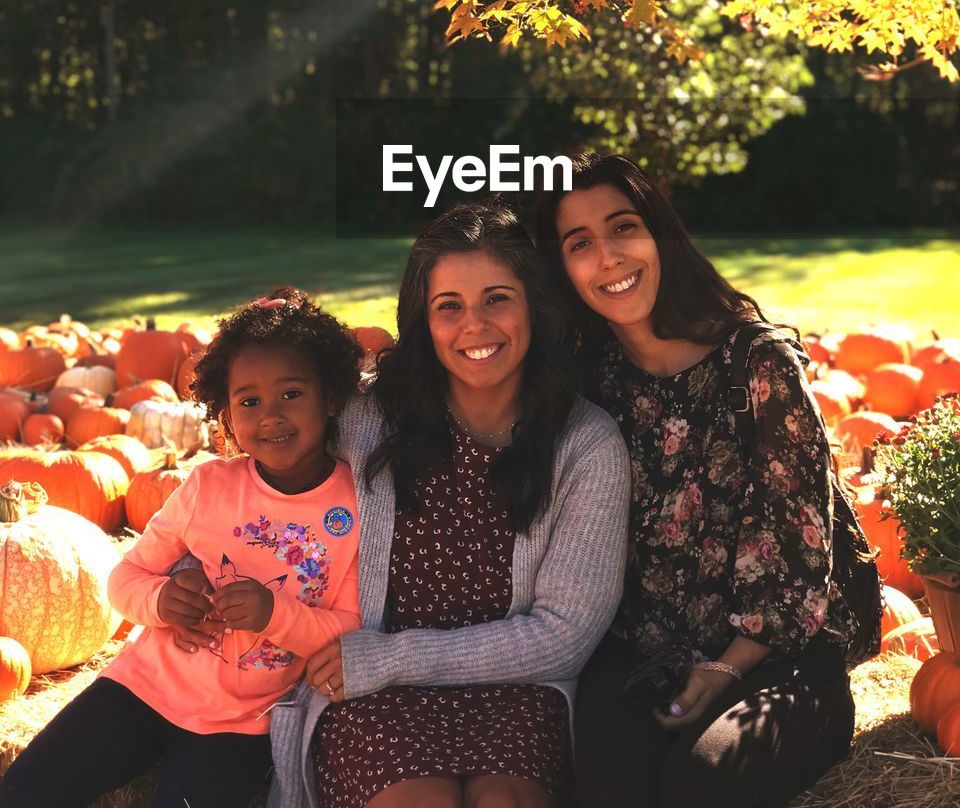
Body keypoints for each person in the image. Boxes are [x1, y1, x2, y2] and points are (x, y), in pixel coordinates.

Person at [266, 199, 631, 808]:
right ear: (422, 321)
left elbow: (566, 635)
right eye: (449, 307)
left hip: (514, 688)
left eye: (497, 299)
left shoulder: (584, 444)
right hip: (376, 697)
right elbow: (265, 480)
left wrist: (392, 658)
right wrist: (190, 565)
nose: (475, 325)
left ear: (533, 308)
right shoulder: (366, 421)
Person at [534, 152, 859, 808]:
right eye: (580, 243)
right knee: (604, 788)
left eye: (624, 227)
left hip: (778, 655)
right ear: (561, 269)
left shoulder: (757, 363)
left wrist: (727, 668)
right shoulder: (586, 382)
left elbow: (804, 560)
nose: (609, 257)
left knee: (697, 787)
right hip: (647, 655)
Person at [0, 290, 362, 808]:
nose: (270, 417)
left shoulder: (355, 508)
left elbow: (350, 626)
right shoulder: (209, 486)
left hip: (240, 726)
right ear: (225, 413)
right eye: (249, 402)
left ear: (329, 397)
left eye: (291, 394)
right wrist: (163, 599)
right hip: (141, 691)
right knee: (22, 792)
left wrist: (272, 613)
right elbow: (124, 580)